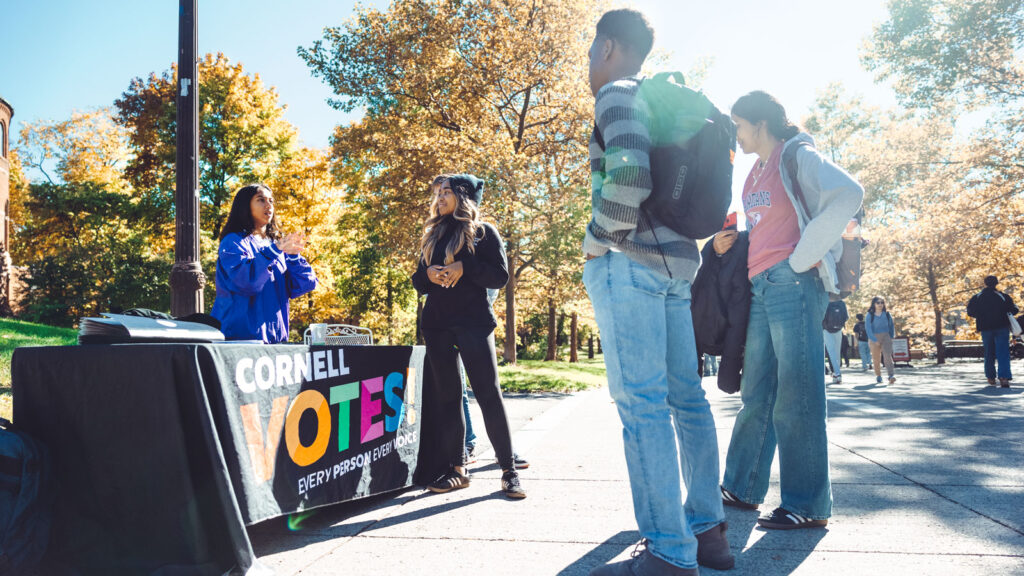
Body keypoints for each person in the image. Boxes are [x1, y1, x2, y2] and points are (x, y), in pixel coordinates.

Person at [582, 10, 733, 575]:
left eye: (590, 52)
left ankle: (669, 554)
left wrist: (597, 240)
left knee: (641, 406)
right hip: (677, 268)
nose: (589, 65)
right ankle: (706, 531)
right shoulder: (664, 100)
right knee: (686, 401)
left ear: (607, 47)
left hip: (631, 263)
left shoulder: (618, 94)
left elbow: (629, 182)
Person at [719, 91, 863, 531]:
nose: (736, 134)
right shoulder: (752, 176)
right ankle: (742, 487)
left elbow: (849, 193)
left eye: (739, 125)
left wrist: (802, 258)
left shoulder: (796, 153)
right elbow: (766, 226)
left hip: (795, 282)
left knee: (797, 394)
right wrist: (730, 243)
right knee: (757, 392)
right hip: (762, 286)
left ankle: (807, 503)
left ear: (760, 123)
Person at [411, 173, 526, 499]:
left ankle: (509, 471)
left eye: (446, 191)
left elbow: (500, 276)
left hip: (473, 322)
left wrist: (464, 267)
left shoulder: (483, 232)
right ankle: (457, 469)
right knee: (449, 397)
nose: (440, 197)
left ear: (463, 196)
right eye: (437, 192)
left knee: (488, 394)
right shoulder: (432, 234)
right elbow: (418, 280)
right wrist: (429, 274)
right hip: (436, 324)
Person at [211, 183, 317, 343]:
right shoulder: (233, 241)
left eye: (271, 201)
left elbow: (305, 285)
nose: (269, 205)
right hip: (240, 340)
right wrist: (273, 251)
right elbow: (247, 282)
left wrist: (294, 258)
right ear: (245, 206)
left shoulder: (275, 246)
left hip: (276, 342)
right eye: (261, 200)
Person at [692, 212, 751, 395]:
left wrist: (730, 371)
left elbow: (739, 314)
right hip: (698, 328)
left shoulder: (742, 250)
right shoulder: (707, 253)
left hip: (724, 330)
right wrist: (713, 248)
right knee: (686, 389)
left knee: (726, 383)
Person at [967, 275, 1019, 387]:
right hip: (1002, 327)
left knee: (988, 353)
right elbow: (1014, 309)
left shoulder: (977, 297)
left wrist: (981, 316)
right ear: (996, 283)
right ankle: (1004, 378)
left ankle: (990, 377)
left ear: (985, 283)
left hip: (985, 328)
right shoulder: (1003, 296)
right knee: (1003, 352)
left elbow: (970, 311)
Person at [866, 296, 897, 384]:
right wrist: (874, 339)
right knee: (876, 358)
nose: (880, 304)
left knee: (887, 356)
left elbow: (891, 326)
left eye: (882, 302)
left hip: (886, 336)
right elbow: (868, 328)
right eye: (878, 303)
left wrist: (891, 336)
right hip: (873, 337)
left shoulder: (887, 314)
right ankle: (878, 375)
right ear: (874, 304)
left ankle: (891, 375)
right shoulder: (869, 315)